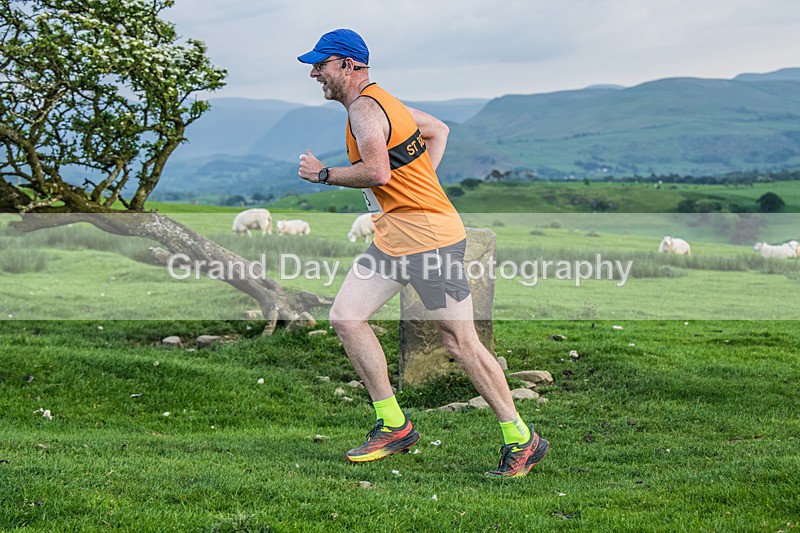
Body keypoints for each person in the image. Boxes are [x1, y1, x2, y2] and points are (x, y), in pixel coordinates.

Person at [296, 28, 548, 477]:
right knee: (346, 317)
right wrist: (421, 185)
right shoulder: (384, 104)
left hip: (430, 241)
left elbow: (376, 172)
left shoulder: (367, 111)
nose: (316, 73)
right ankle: (393, 424)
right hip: (395, 238)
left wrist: (323, 174)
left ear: (349, 66)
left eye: (322, 65)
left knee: (460, 342)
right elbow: (438, 130)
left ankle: (521, 439)